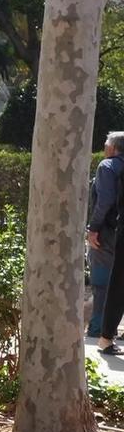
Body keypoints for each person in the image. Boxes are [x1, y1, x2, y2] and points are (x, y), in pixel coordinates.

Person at [90, 133, 124, 346]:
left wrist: (93, 228)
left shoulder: (107, 166)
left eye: (105, 145)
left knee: (102, 282)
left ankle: (98, 329)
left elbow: (104, 201)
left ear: (113, 148)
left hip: (108, 232)